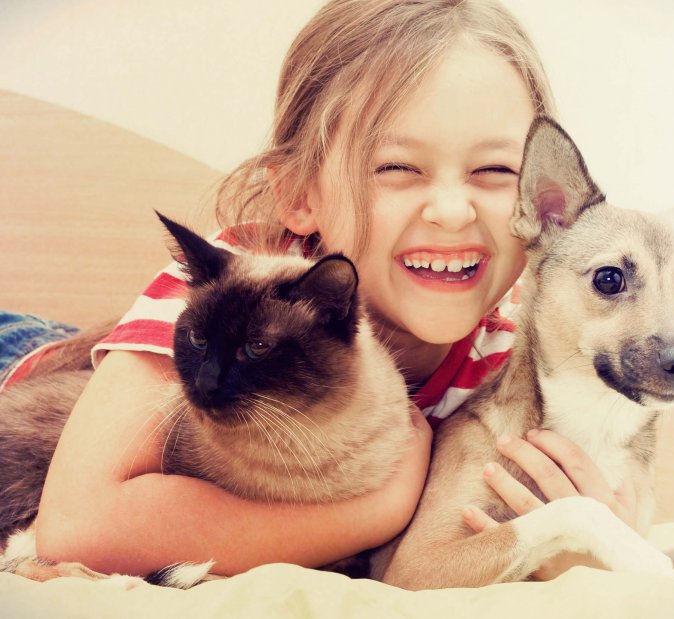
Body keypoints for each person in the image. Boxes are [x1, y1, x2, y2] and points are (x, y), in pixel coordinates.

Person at [5, 0, 637, 578]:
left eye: (496, 170)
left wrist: (591, 526)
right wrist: (382, 504)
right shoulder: (234, 288)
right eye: (398, 167)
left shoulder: (516, 354)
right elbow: (77, 526)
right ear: (300, 196)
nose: (452, 210)